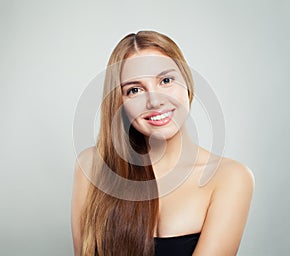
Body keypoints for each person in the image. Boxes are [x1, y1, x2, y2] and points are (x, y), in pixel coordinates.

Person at [71, 30, 255, 256]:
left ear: (187, 83)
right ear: (120, 103)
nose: (155, 100)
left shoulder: (230, 177)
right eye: (134, 90)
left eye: (166, 80)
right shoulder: (92, 166)